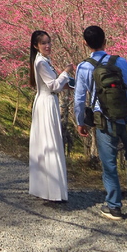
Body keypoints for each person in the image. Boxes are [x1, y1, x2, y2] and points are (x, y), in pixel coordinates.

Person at [74, 24, 127, 220]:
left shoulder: (84, 67)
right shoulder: (121, 62)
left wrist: (80, 122)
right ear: (106, 41)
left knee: (109, 164)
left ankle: (114, 206)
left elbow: (79, 99)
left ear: (85, 43)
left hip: (104, 122)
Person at [28, 29, 75, 203]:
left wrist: (69, 86)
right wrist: (66, 71)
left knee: (48, 143)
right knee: (49, 144)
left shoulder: (44, 61)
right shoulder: (41, 62)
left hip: (48, 101)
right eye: (43, 43)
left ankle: (49, 189)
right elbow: (53, 86)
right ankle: (51, 191)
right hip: (46, 104)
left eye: (49, 42)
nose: (47, 46)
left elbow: (52, 85)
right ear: (36, 46)